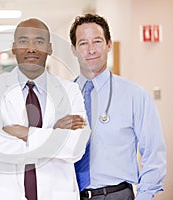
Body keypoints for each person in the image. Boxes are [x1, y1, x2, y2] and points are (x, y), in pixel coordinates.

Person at [0, 18, 91, 200]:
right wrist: (54, 133)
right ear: (13, 47)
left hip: (58, 193)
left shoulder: (70, 91)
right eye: (23, 41)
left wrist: (25, 133)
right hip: (7, 194)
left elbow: (76, 147)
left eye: (39, 41)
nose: (31, 48)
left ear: (50, 48)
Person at [69, 13, 166, 200]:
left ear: (109, 45)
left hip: (115, 194)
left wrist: (144, 196)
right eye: (83, 43)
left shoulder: (134, 95)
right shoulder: (65, 96)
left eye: (97, 41)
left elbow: (155, 154)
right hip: (70, 194)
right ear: (73, 49)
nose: (91, 50)